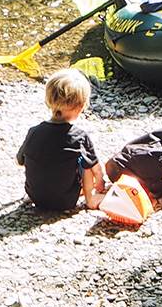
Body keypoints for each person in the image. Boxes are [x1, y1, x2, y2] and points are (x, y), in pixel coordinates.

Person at [17, 68, 106, 210]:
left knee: (40, 154)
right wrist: (101, 184)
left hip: (37, 198)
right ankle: (91, 198)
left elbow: (19, 160)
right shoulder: (79, 137)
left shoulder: (33, 132)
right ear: (80, 106)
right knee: (86, 160)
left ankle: (33, 194)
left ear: (48, 101)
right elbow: (97, 169)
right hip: (65, 201)